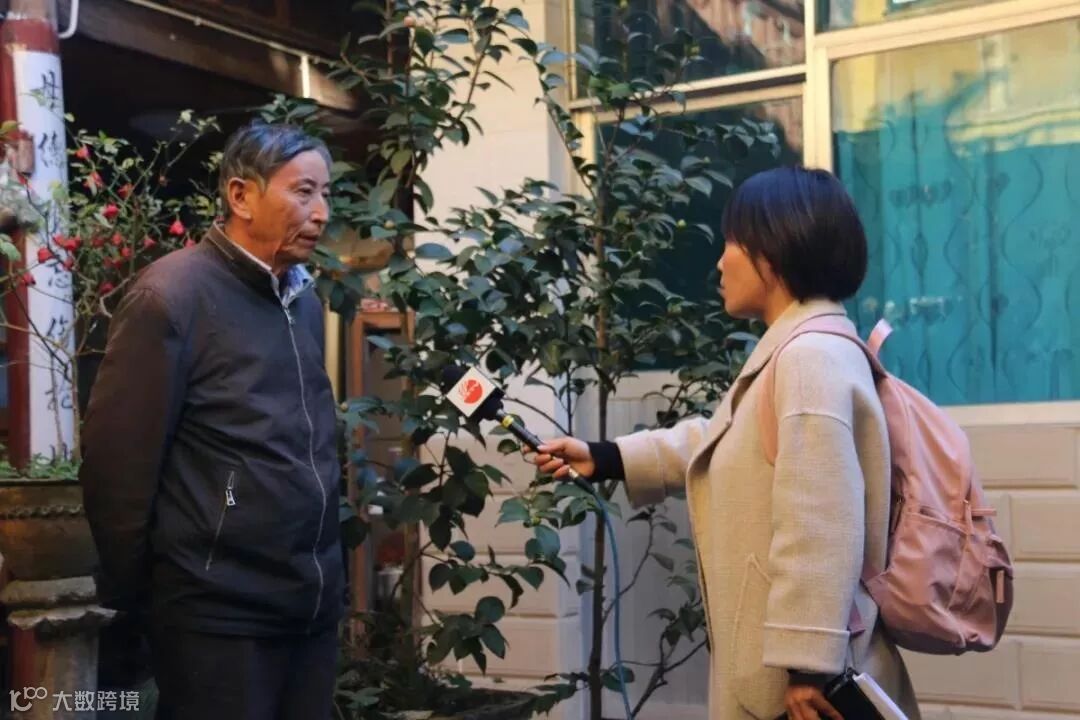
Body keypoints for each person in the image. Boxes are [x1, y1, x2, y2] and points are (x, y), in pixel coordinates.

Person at [534, 167, 920, 720]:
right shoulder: (805, 348)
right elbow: (725, 439)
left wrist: (806, 666)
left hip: (802, 690)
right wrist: (607, 457)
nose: (720, 262)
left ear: (776, 250)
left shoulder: (809, 358)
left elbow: (820, 521)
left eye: (733, 242)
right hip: (795, 670)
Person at [80, 122, 344, 720]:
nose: (321, 212)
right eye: (304, 192)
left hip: (308, 607)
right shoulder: (171, 297)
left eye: (326, 193)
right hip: (216, 615)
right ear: (241, 196)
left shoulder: (302, 300)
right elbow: (117, 471)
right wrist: (148, 597)